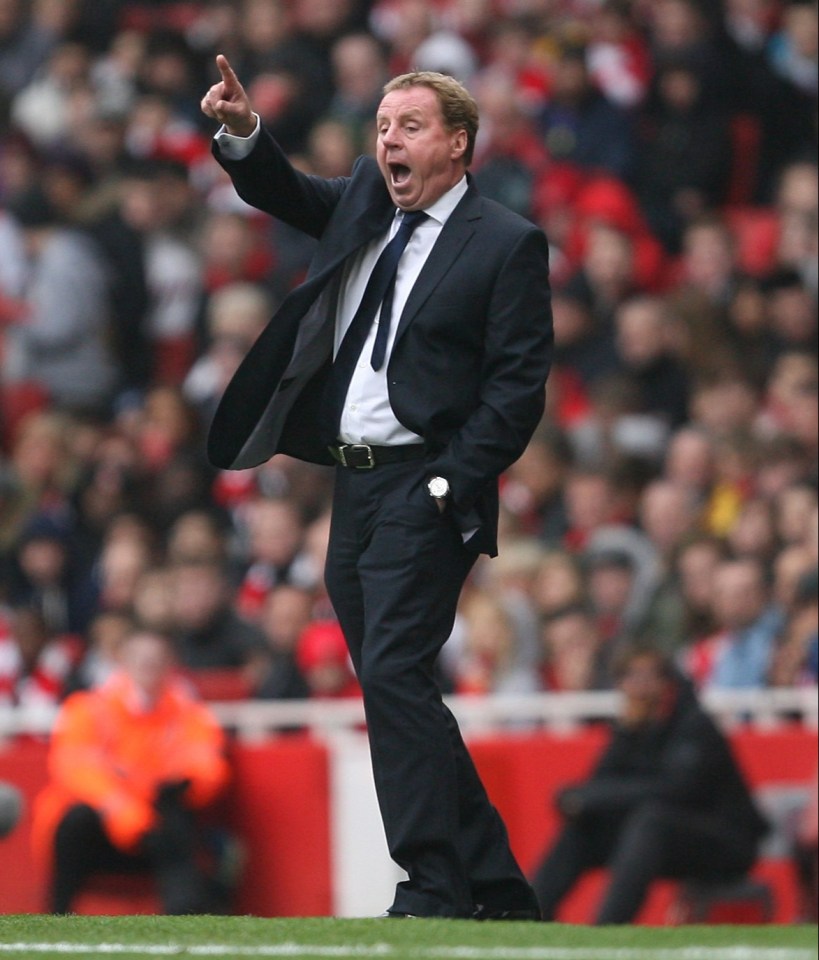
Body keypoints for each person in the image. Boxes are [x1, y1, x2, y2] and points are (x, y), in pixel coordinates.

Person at [200, 54, 552, 919]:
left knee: (393, 671)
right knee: (396, 686)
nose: (387, 139)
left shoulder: (506, 242)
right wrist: (243, 130)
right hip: (353, 490)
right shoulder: (365, 197)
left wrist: (448, 485)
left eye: (409, 126)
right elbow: (283, 192)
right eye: (383, 125)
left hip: (423, 488)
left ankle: (430, 886)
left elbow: (517, 390)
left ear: (457, 145)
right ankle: (498, 892)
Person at [531, 648, 768, 924]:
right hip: (665, 838)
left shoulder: (695, 725)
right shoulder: (632, 727)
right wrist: (583, 798)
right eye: (629, 676)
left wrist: (590, 797)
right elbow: (603, 785)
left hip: (727, 841)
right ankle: (528, 917)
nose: (638, 686)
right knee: (585, 827)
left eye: (647, 676)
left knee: (651, 821)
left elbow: (676, 790)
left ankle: (607, 931)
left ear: (668, 682)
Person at [32, 630, 231, 915]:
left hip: (155, 827)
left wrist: (188, 784)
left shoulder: (187, 712)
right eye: (141, 659)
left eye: (156, 660)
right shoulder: (87, 708)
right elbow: (75, 768)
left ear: (170, 664)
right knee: (75, 819)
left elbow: (206, 761)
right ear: (122, 660)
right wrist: (121, 807)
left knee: (176, 814)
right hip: (99, 828)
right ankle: (58, 915)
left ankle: (185, 918)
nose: (148, 667)